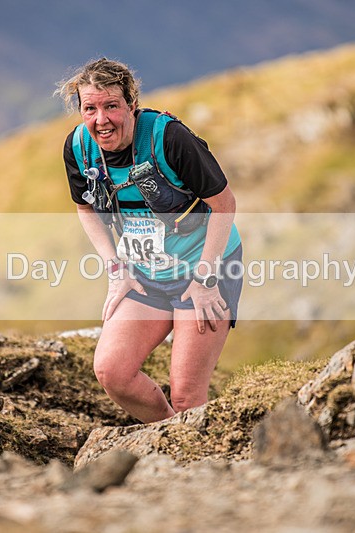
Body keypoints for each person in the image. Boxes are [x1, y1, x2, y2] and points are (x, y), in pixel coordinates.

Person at [56, 58, 243, 423]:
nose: (101, 119)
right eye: (90, 109)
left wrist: (206, 279)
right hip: (146, 274)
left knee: (188, 395)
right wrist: (116, 269)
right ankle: (171, 442)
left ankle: (198, 464)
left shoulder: (169, 138)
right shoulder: (79, 148)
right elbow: (86, 208)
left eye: (111, 106)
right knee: (114, 372)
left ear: (131, 104)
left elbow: (224, 204)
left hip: (203, 270)